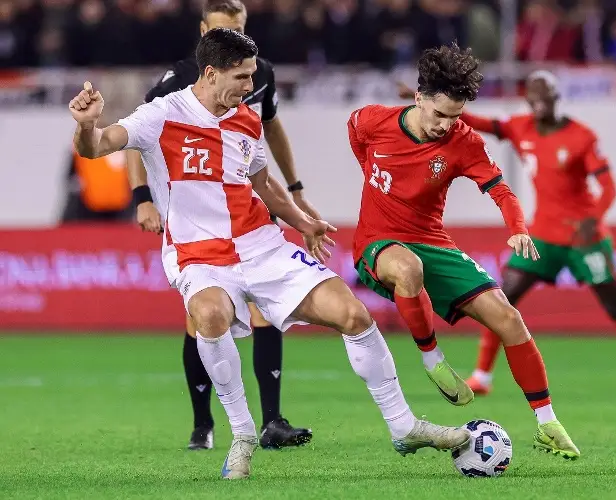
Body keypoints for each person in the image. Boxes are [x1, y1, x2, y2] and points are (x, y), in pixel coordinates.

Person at [69, 27, 471, 480]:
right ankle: (242, 435)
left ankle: (404, 426)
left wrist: (304, 221)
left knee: (353, 314)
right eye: (241, 77)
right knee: (209, 314)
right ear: (210, 72)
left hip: (262, 247)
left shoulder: (246, 118)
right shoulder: (161, 115)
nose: (249, 86)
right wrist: (86, 125)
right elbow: (97, 146)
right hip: (200, 256)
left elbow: (262, 184)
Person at [349, 43, 579, 459]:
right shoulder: (372, 120)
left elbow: (501, 190)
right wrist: (373, 182)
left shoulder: (464, 141)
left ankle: (548, 423)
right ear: (418, 98)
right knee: (408, 267)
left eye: (454, 116)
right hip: (377, 242)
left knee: (509, 319)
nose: (445, 125)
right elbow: (357, 137)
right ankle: (432, 359)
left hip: (432, 240)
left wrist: (517, 229)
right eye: (438, 114)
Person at [126, 0, 317, 450]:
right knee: (203, 318)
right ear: (204, 31)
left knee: (265, 307)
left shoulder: (260, 73)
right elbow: (138, 136)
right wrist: (143, 198)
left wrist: (296, 187)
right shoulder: (177, 81)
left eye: (238, 26)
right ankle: (203, 423)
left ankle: (272, 421)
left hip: (248, 204)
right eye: (222, 27)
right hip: (200, 213)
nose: (232, 32)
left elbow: (271, 129)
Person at [400, 71, 616, 398]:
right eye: (533, 98)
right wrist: (428, 100)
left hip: (585, 239)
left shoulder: (582, 137)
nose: (538, 104)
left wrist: (595, 219)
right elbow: (478, 121)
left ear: (555, 97)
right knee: (501, 297)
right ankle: (482, 375)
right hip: (542, 236)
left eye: (544, 97)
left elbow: (608, 187)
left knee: (614, 304)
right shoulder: (519, 126)